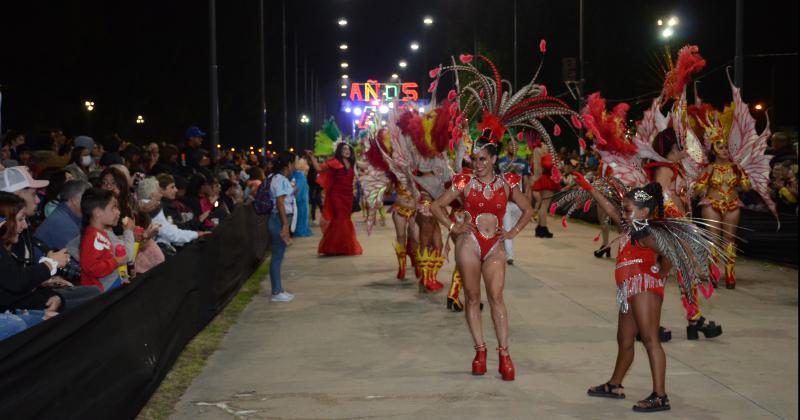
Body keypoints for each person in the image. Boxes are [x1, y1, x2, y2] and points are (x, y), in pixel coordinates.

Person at [431, 129, 534, 381]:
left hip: (494, 245)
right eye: (474, 159)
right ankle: (480, 351)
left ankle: (504, 355)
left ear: (493, 159)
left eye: (482, 159)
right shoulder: (464, 182)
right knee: (472, 297)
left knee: (496, 297)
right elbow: (436, 205)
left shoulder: (507, 182)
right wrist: (453, 227)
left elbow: (528, 209)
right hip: (470, 243)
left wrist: (512, 233)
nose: (477, 164)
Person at [1, 192, 67, 324]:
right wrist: (50, 264)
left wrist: (50, 296)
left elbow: (14, 290)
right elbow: (16, 282)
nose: (25, 225)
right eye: (20, 219)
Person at [305, 143, 363, 256]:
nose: (347, 151)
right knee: (340, 219)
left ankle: (341, 247)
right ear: (340, 151)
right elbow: (318, 168)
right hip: (336, 196)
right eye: (344, 149)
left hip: (348, 196)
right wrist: (312, 157)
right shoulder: (333, 162)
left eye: (348, 149)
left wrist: (377, 155)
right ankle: (337, 247)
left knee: (345, 219)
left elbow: (365, 165)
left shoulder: (352, 162)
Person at [79, 188, 127, 292]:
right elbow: (91, 267)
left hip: (110, 282)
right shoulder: (93, 236)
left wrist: (124, 277)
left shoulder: (100, 233)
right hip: (100, 291)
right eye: (113, 208)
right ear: (98, 212)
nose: (118, 212)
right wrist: (116, 261)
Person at [497, 135, 531, 265]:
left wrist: (527, 196)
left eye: (516, 145)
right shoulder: (500, 162)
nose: (514, 147)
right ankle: (509, 255)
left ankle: (506, 248)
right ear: (507, 147)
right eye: (511, 144)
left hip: (519, 201)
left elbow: (527, 181)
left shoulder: (524, 163)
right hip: (505, 200)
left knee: (513, 227)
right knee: (507, 226)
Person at [267, 152, 296, 302]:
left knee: (278, 255)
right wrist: (285, 224)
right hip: (279, 219)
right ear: (288, 165)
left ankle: (278, 289)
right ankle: (276, 292)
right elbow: (280, 202)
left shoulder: (275, 178)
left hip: (278, 218)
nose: (295, 166)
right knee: (277, 256)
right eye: (293, 163)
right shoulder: (281, 180)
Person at [35, 180, 90, 250]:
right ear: (74, 200)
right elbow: (80, 258)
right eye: (87, 199)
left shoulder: (67, 215)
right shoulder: (63, 223)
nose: (91, 203)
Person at [291, 158, 313, 237]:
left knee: (300, 214)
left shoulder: (296, 174)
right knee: (302, 214)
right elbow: (299, 188)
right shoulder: (300, 175)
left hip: (300, 198)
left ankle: (299, 229)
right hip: (301, 199)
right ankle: (300, 230)